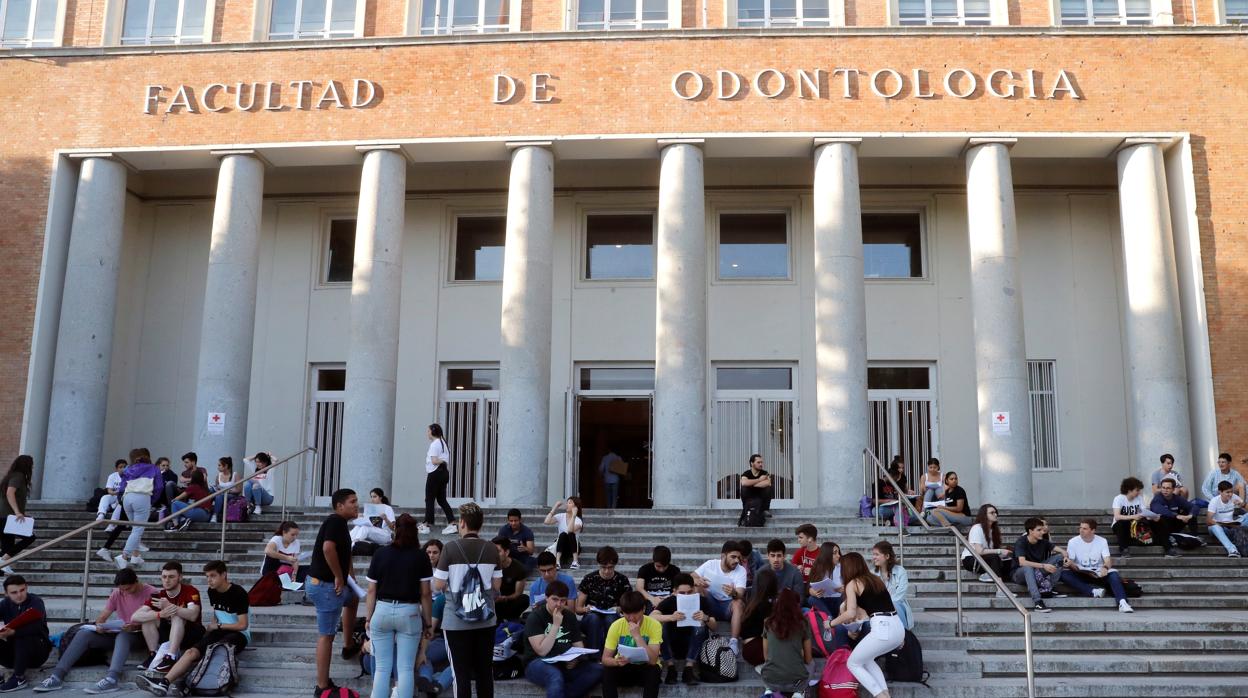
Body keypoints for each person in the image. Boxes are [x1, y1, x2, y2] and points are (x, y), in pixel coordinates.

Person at [35, 568, 157, 694]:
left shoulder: (151, 592)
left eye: (128, 589)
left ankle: (111, 679)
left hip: (141, 636)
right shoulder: (117, 593)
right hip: (121, 631)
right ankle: (56, 676)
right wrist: (100, 625)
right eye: (122, 589)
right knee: (84, 634)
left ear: (136, 581)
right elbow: (103, 616)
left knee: (123, 635)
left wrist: (135, 627)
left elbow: (158, 622)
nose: (125, 592)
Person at [138, 561, 250, 697]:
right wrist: (211, 630)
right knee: (192, 652)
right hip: (219, 631)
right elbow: (217, 612)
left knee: (214, 651)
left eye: (213, 576)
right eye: (207, 576)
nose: (209, 580)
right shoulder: (212, 591)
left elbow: (242, 625)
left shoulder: (239, 593)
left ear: (224, 575)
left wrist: (218, 626)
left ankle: (187, 683)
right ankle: (164, 683)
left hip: (239, 634)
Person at [432, 502, 502, 698]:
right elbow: (497, 585)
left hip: (456, 621)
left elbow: (438, 584)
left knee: (460, 675)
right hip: (486, 619)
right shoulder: (491, 549)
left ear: (462, 523)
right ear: (480, 524)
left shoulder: (450, 548)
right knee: (484, 673)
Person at [365, 514, 434, 698]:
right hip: (409, 612)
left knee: (381, 668)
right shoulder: (421, 556)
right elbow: (426, 593)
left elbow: (371, 591)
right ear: (415, 532)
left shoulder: (380, 553)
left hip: (382, 609)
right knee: (405, 668)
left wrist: (368, 617)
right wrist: (428, 623)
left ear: (396, 530)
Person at [822, 552, 905, 698]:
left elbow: (850, 613)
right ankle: (885, 695)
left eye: (842, 567)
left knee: (853, 663)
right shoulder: (875, 579)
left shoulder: (852, 583)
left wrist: (831, 623)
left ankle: (880, 695)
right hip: (897, 627)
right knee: (866, 660)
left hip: (882, 628)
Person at [307, 488, 362, 696]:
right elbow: (328, 549)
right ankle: (322, 686)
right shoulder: (335, 521)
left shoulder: (341, 524)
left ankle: (348, 645)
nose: (357, 505)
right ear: (340, 506)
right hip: (325, 587)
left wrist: (351, 577)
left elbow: (343, 553)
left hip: (330, 585)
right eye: (352, 502)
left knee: (353, 597)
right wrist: (339, 576)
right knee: (326, 636)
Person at [522, 579, 603, 698]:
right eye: (555, 599)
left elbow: (578, 645)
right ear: (546, 598)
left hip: (564, 662)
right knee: (554, 675)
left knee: (598, 669)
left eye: (563, 601)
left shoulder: (569, 616)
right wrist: (555, 625)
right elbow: (542, 651)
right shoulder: (535, 617)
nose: (559, 604)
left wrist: (576, 659)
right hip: (538, 662)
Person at [132, 561, 204, 673]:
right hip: (169, 634)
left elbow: (193, 615)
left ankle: (170, 657)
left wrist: (170, 607)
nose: (166, 580)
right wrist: (159, 614)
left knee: (177, 616)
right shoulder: (160, 595)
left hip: (191, 633)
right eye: (164, 577)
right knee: (148, 619)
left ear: (180, 577)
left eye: (171, 577)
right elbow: (135, 617)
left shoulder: (190, 591)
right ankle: (153, 654)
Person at [650, 573, 714, 685]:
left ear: (694, 589)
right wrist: (670, 617)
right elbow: (651, 617)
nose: (686, 595)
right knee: (660, 626)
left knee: (701, 626)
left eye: (689, 592)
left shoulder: (702, 601)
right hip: (672, 645)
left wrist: (705, 618)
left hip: (693, 644)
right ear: (674, 591)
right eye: (682, 593)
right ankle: (670, 668)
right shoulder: (670, 601)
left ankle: (689, 669)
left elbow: (714, 626)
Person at [1060, 519, 1134, 613]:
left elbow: (1108, 560)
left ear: (1093, 530)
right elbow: (1071, 563)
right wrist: (1070, 564)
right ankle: (1093, 591)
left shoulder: (1102, 541)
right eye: (1080, 528)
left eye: (1085, 529)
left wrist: (1105, 568)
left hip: (1099, 574)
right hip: (1082, 573)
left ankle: (1122, 602)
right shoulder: (1073, 542)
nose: (1081, 530)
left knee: (1114, 575)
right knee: (1063, 574)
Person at [600, 591, 661, 698]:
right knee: (607, 671)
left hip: (645, 669)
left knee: (654, 670)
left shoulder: (654, 625)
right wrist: (617, 662)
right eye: (627, 614)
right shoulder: (616, 626)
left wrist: (637, 636)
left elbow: (652, 660)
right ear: (622, 612)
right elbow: (605, 659)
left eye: (635, 613)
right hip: (624, 668)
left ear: (643, 609)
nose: (631, 618)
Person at [692, 541, 747, 656]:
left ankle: (733, 641)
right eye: (733, 557)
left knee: (738, 602)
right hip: (710, 603)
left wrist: (733, 592)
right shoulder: (710, 564)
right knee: (697, 588)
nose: (736, 560)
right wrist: (698, 581)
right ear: (723, 556)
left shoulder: (741, 570)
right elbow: (691, 576)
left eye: (738, 557)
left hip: (728, 607)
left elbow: (740, 593)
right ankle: (698, 625)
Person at [0, 575, 51, 692]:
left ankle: (19, 678)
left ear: (26, 588)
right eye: (14, 592)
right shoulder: (5, 604)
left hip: (37, 653)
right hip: (12, 656)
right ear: (6, 594)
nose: (19, 595)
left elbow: (36, 628)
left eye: (22, 590)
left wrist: (13, 632)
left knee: (23, 635)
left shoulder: (36, 602)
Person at [575, 546, 632, 650]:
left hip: (613, 616)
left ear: (615, 565)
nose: (606, 571)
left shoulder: (622, 580)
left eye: (610, 567)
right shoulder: (589, 579)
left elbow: (630, 606)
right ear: (598, 565)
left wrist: (621, 609)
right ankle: (594, 656)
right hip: (591, 617)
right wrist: (585, 609)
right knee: (594, 619)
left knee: (610, 619)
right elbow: (578, 609)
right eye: (603, 567)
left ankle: (610, 653)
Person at [759, 588, 811, 698]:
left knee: (767, 668)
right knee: (813, 665)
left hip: (770, 679)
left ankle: (770, 691)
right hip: (797, 680)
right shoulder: (803, 623)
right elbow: (808, 659)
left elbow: (766, 656)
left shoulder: (768, 622)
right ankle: (798, 693)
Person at [113, 448, 160, 570]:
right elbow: (159, 487)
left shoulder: (129, 468)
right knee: (137, 530)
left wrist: (121, 499)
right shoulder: (154, 468)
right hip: (142, 497)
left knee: (135, 529)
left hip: (127, 498)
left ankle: (135, 556)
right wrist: (152, 500)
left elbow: (122, 486)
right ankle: (124, 556)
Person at [1011, 517, 1064, 613]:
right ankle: (1038, 602)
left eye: (1042, 530)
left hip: (1037, 572)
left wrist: (1066, 558)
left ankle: (1048, 589)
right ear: (1030, 531)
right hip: (1019, 574)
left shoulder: (1043, 542)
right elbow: (1022, 562)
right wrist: (1044, 566)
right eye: (1039, 530)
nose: (1042, 532)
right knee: (1027, 567)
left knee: (1059, 557)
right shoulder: (1021, 542)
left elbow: (1062, 551)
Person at [0, 457, 36, 575]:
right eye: (31, 464)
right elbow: (10, 493)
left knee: (7, 544)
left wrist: (21, 513)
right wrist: (17, 512)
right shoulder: (18, 476)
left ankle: (4, 564)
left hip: (6, 516)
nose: (32, 467)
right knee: (30, 537)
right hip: (7, 516)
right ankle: (3, 561)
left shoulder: (13, 475)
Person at [420, 424, 457, 537]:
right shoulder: (443, 443)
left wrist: (442, 460)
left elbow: (434, 461)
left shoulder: (435, 444)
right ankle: (452, 522)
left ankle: (427, 524)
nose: (427, 433)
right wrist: (444, 460)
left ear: (432, 432)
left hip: (435, 473)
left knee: (429, 499)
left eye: (428, 431)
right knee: (441, 500)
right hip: (443, 473)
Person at [962, 504, 1012, 584]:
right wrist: (999, 551)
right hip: (971, 560)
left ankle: (989, 575)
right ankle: (1000, 590)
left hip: (985, 559)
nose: (995, 514)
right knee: (994, 557)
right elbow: (979, 551)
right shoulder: (977, 528)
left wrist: (1005, 553)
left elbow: (991, 551)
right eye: (992, 513)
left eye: (996, 512)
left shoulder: (993, 530)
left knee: (1011, 561)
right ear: (984, 515)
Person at [1111, 476, 1156, 558]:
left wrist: (1152, 516)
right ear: (1129, 490)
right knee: (1121, 524)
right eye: (1137, 490)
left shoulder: (1139, 498)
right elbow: (1117, 517)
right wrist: (1133, 516)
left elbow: (1143, 512)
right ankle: (1124, 549)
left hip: (1135, 525)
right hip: (1121, 525)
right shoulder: (1119, 499)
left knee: (1157, 521)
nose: (1139, 492)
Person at [871, 541, 913, 631]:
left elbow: (900, 595)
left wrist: (886, 602)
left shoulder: (900, 571)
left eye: (877, 554)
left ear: (887, 556)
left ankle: (904, 635)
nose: (874, 557)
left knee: (895, 605)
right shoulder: (872, 574)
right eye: (873, 554)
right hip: (878, 607)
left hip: (897, 606)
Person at [740, 570, 777, 666]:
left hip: (748, 647)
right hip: (756, 648)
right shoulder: (765, 604)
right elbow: (767, 630)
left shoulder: (754, 601)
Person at [1150, 478, 1197, 555]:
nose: (1165, 490)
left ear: (1173, 489)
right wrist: (1177, 516)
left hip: (1174, 525)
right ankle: (1168, 549)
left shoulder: (1177, 498)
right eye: (1163, 488)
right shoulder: (1157, 498)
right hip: (1161, 527)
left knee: (1190, 514)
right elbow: (1158, 510)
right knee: (1161, 518)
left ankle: (1195, 537)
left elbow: (1194, 507)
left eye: (1168, 488)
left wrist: (1190, 515)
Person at [491, 536, 530, 621]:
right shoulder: (489, 565)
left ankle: (509, 619)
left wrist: (505, 598)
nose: (494, 555)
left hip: (508, 600)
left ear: (507, 552)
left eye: (498, 551)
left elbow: (517, 593)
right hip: (492, 601)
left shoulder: (519, 568)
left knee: (524, 599)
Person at [1207, 480, 1247, 557]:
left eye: (1231, 492)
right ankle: (1232, 549)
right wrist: (1222, 524)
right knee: (1214, 526)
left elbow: (1244, 507)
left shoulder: (1234, 497)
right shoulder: (1214, 501)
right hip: (1218, 528)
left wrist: (1242, 504)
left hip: (1231, 527)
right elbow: (1208, 521)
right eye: (1227, 492)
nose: (1230, 494)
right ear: (1220, 492)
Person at [635, 546, 680, 610]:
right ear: (653, 561)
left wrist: (666, 599)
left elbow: (679, 589)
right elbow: (639, 588)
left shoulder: (675, 570)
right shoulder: (645, 569)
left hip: (669, 599)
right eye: (658, 566)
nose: (661, 569)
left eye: (665, 566)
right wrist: (652, 599)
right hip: (649, 600)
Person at [545, 497, 584, 570]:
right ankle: (557, 562)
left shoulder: (578, 521)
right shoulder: (561, 516)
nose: (567, 505)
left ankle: (575, 561)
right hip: (561, 546)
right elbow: (547, 522)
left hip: (572, 548)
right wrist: (555, 508)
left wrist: (574, 516)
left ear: (575, 507)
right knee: (562, 534)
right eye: (567, 502)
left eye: (569, 503)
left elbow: (569, 530)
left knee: (570, 534)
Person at [875, 456, 915, 527]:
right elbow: (874, 501)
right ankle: (902, 529)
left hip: (895, 506)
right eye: (895, 477)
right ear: (889, 474)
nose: (901, 470)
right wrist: (889, 500)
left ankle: (892, 522)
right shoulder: (879, 483)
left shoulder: (895, 482)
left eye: (902, 468)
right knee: (899, 507)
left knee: (911, 513)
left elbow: (905, 490)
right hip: (880, 509)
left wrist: (908, 492)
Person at [806, 541, 843, 615]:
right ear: (827, 554)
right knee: (811, 599)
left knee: (846, 598)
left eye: (838, 553)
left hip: (838, 601)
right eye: (835, 553)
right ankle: (829, 618)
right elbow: (809, 588)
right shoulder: (818, 567)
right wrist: (815, 592)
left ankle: (832, 620)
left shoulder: (842, 567)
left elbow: (850, 587)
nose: (838, 556)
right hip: (823, 601)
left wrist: (842, 589)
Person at [739, 454, 774, 522]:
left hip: (761, 496)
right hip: (750, 497)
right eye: (758, 462)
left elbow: (767, 483)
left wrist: (751, 484)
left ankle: (765, 510)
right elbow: (744, 483)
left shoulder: (765, 473)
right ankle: (747, 509)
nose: (761, 464)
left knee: (768, 488)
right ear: (752, 463)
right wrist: (759, 480)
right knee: (744, 488)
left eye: (761, 462)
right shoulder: (746, 473)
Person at [209, 457, 242, 523]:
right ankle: (205, 509)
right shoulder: (218, 475)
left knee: (219, 495)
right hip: (221, 494)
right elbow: (217, 486)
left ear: (226, 466)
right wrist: (217, 488)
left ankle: (215, 515)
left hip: (231, 495)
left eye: (219, 465)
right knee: (210, 490)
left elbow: (239, 490)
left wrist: (227, 491)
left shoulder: (235, 475)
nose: (218, 467)